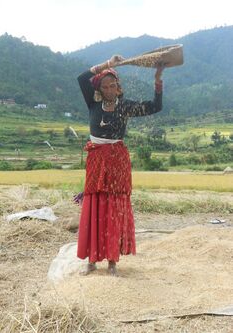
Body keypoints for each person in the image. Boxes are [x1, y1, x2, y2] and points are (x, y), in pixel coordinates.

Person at [76, 55, 164, 276]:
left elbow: (155, 106)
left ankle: (113, 260)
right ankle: (92, 259)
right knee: (94, 204)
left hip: (117, 160)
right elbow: (82, 78)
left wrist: (158, 79)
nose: (109, 89)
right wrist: (108, 64)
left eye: (113, 85)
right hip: (97, 159)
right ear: (99, 89)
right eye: (105, 86)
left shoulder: (125, 107)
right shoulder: (93, 104)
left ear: (118, 87)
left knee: (114, 206)